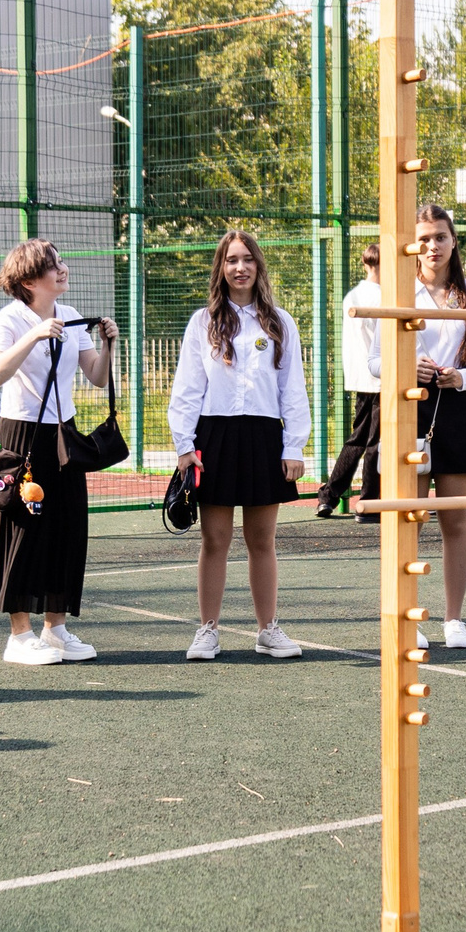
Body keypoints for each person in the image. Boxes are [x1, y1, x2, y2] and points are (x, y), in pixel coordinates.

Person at [168, 230, 309, 660]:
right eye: (231, 260)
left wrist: (294, 446)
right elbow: (188, 389)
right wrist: (183, 444)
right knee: (215, 540)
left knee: (261, 540)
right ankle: (207, 630)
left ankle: (268, 630)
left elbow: (293, 389)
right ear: (221, 268)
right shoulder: (203, 322)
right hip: (216, 436)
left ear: (258, 266)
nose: (240, 267)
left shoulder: (280, 322)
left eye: (247, 259)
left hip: (266, 437)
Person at [369, 205, 466, 645]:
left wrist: (461, 377)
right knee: (410, 518)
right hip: (410, 410)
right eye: (423, 238)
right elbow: (374, 362)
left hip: (456, 410)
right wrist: (409, 368)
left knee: (455, 520)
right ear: (412, 244)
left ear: (454, 241)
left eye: (440, 237)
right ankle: (408, 619)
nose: (432, 246)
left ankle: (454, 620)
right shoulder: (399, 292)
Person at [0, 239, 114, 665]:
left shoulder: (70, 317)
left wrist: (107, 345)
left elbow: (97, 377)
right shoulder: (9, 319)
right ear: (29, 280)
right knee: (20, 531)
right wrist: (33, 334)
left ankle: (57, 629)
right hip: (21, 435)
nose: (63, 269)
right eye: (53, 266)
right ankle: (19, 636)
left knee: (67, 529)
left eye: (61, 262)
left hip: (62, 435)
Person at [313, 243, 382, 519]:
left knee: (357, 439)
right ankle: (368, 503)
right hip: (380, 376)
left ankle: (328, 496)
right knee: (376, 441)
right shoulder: (383, 297)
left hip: (359, 375)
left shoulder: (353, 295)